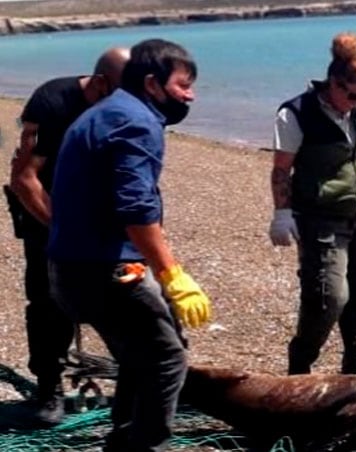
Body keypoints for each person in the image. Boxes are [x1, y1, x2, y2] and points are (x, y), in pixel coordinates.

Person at [47, 38, 211, 451]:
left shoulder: (106, 113)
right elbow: (135, 209)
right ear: (153, 84)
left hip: (72, 266)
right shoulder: (136, 122)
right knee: (167, 359)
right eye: (183, 85)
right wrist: (172, 275)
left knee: (140, 357)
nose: (190, 95)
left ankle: (123, 442)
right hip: (102, 270)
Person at [268, 32, 356, 375]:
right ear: (333, 83)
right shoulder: (296, 113)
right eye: (352, 94)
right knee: (328, 297)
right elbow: (282, 168)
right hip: (321, 219)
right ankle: (300, 366)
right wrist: (282, 213)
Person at [5, 46, 130, 426]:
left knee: (125, 293)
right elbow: (24, 179)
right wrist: (64, 230)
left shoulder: (127, 107)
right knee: (47, 301)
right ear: (101, 82)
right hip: (45, 206)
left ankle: (137, 382)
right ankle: (48, 388)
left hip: (97, 209)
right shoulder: (52, 101)